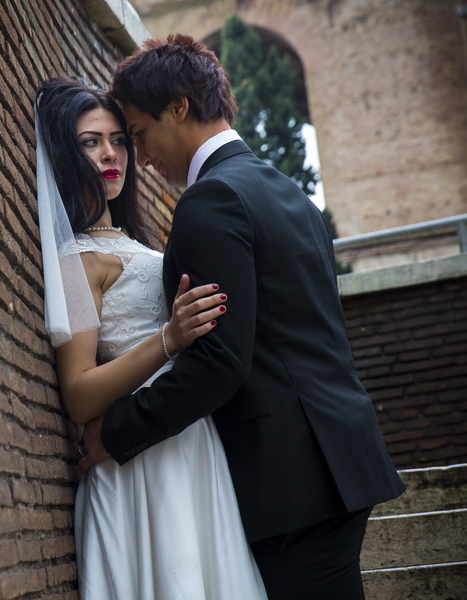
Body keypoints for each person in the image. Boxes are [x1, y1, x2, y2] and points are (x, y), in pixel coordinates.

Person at [77, 35, 406, 599]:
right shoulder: (288, 193)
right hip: (337, 459)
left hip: (289, 481)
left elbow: (220, 360)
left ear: (178, 106)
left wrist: (114, 433)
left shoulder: (213, 200)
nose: (143, 157)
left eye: (138, 133)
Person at [34, 76, 267, 599]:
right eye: (90, 142)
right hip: (139, 464)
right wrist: (168, 339)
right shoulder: (76, 262)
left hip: (187, 442)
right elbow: (78, 393)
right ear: (61, 154)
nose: (111, 154)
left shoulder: (133, 243)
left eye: (119, 139)